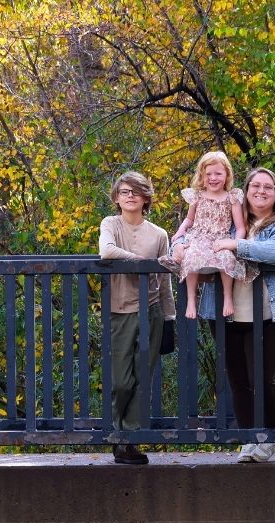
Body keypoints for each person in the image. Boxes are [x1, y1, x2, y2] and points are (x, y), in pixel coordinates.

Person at [199, 167, 275, 463]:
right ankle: (247, 438)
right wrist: (182, 248)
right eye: (255, 186)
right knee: (238, 380)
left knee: (260, 378)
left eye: (268, 187)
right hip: (226, 312)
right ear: (246, 190)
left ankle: (267, 437)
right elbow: (198, 234)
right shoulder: (230, 217)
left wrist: (234, 244)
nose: (261, 191)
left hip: (269, 315)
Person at [98, 171, 176, 465]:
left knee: (143, 378)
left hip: (152, 311)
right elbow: (106, 251)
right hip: (120, 311)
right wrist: (142, 264)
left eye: (135, 192)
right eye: (124, 192)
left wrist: (170, 317)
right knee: (121, 380)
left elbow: (164, 280)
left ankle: (128, 442)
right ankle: (119, 435)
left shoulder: (158, 234)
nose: (129, 196)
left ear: (146, 198)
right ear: (116, 198)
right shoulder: (111, 224)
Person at [168, 151, 249, 320]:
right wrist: (180, 232)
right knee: (190, 257)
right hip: (198, 237)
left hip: (221, 239)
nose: (213, 178)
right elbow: (189, 219)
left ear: (227, 175)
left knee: (226, 258)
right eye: (208, 174)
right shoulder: (197, 196)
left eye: (218, 173)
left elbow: (241, 227)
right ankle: (192, 299)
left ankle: (228, 297)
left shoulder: (232, 198)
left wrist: (235, 243)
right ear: (202, 176)